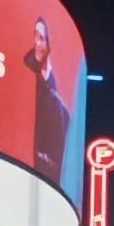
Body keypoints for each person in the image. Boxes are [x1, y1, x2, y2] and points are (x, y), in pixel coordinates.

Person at [23, 17, 70, 184]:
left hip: (51, 174)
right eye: (35, 36)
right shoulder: (28, 69)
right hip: (31, 164)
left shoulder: (52, 83)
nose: (36, 43)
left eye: (41, 38)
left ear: (49, 45)